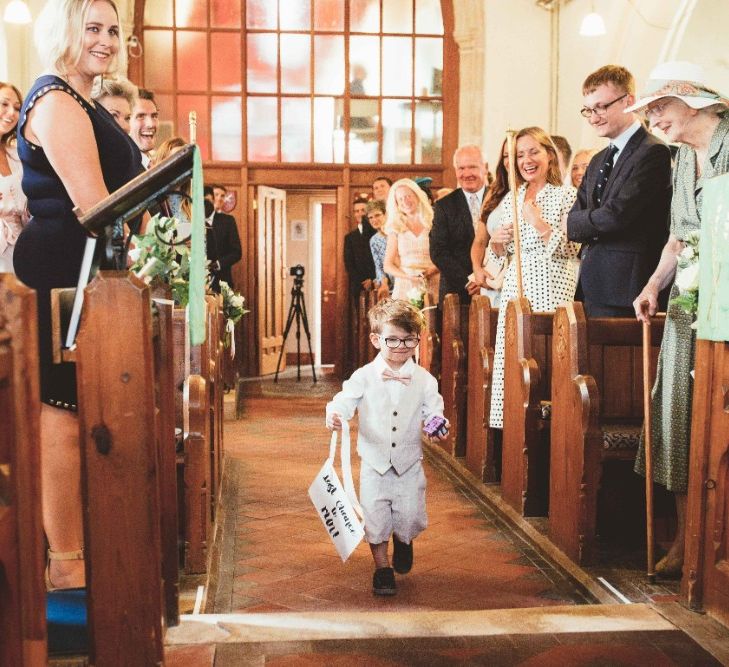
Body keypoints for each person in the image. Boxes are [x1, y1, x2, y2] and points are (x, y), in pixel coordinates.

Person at [13, 0, 143, 591]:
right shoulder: (55, 99)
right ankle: (65, 563)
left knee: (75, 407)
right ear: (64, 32)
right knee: (60, 411)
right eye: (93, 28)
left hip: (83, 266)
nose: (107, 40)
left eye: (114, 30)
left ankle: (77, 547)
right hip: (62, 268)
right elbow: (95, 205)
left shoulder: (80, 98)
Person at [632, 62, 729, 577]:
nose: (652, 117)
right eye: (648, 110)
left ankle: (713, 542)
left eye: (659, 106)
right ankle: (685, 541)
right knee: (676, 413)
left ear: (694, 99)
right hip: (689, 308)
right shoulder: (681, 161)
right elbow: (677, 235)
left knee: (717, 420)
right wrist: (652, 286)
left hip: (724, 308)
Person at [326, 298, 447, 596]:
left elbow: (434, 411)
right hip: (374, 462)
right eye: (392, 339)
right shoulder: (363, 376)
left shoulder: (425, 380)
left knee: (409, 515)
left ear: (418, 339)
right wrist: (336, 413)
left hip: (408, 463)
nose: (401, 346)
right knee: (375, 517)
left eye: (409, 340)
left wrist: (435, 426)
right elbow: (346, 399)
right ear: (376, 339)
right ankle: (382, 569)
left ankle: (404, 541)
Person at [488, 127, 579, 430]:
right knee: (515, 358)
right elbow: (503, 254)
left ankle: (548, 430)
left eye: (533, 152)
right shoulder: (512, 197)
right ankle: (513, 431)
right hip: (516, 285)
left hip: (552, 285)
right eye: (519, 155)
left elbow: (571, 247)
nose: (526, 160)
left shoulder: (566, 195)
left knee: (545, 358)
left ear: (549, 155)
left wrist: (537, 222)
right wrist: (497, 242)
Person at [567, 65, 673, 317]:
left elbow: (617, 216)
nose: (594, 118)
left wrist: (579, 222)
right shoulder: (597, 160)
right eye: (588, 110)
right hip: (592, 285)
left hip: (628, 287)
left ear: (629, 101)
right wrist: (580, 221)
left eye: (601, 107)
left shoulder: (653, 152)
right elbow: (575, 219)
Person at [430, 144, 488, 303]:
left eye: (472, 167)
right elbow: (438, 251)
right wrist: (469, 281)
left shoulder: (501, 200)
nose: (467, 173)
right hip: (457, 293)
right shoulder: (444, 206)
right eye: (461, 168)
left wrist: (488, 280)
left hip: (496, 289)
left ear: (485, 168)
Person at [383, 178, 440, 304]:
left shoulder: (434, 222)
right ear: (396, 204)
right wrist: (408, 277)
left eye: (408, 196)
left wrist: (433, 269)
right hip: (405, 284)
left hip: (433, 280)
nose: (405, 201)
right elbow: (388, 265)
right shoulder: (396, 227)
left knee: (433, 320)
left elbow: (445, 254)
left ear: (417, 196)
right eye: (400, 199)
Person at [468, 140, 510, 306]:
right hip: (492, 277)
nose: (510, 161)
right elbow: (479, 241)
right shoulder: (495, 191)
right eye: (506, 156)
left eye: (516, 155)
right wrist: (477, 268)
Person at [0, 82, 26, 273]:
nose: (11, 113)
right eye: (4, 104)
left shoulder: (16, 153)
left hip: (21, 246)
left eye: (17, 108)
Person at [207, 183, 242, 291]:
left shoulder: (228, 221)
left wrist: (218, 264)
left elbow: (236, 252)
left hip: (221, 281)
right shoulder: (194, 218)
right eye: (216, 194)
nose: (219, 198)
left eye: (222, 196)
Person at [344, 197, 376, 298]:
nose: (360, 213)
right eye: (357, 211)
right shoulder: (350, 237)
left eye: (363, 210)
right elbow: (349, 263)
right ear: (354, 214)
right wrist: (362, 282)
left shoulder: (378, 233)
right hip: (359, 286)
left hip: (377, 283)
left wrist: (372, 279)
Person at [366, 199, 391, 299]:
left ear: (386, 214)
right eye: (370, 217)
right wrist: (384, 283)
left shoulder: (397, 232)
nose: (374, 220)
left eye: (377, 215)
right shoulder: (374, 240)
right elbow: (379, 266)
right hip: (389, 285)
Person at [129, 88, 159, 168]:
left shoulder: (157, 163)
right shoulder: (122, 167)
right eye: (140, 116)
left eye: (154, 116)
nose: (151, 124)